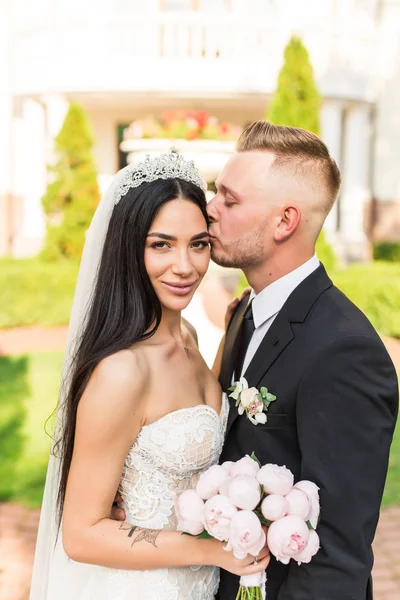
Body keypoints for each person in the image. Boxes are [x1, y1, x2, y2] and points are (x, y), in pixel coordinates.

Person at [29, 149, 269, 600]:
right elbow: (80, 534)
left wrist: (233, 336)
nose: (185, 266)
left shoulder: (191, 338)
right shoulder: (122, 371)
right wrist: (210, 548)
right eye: (161, 244)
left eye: (198, 244)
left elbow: (196, 410)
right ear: (129, 249)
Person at [209, 121, 399, 600]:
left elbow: (336, 554)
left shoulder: (345, 352)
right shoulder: (246, 310)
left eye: (229, 201)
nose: (209, 210)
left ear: (284, 222)